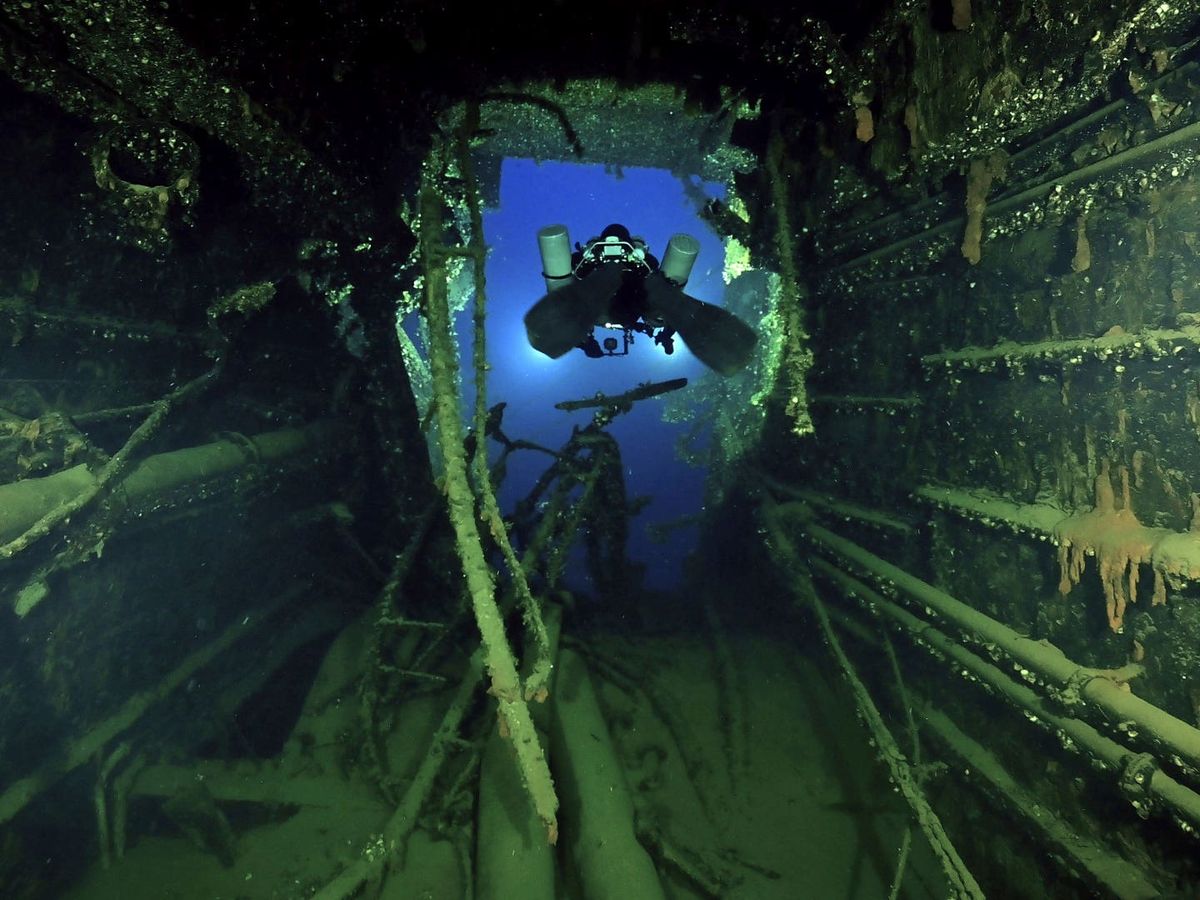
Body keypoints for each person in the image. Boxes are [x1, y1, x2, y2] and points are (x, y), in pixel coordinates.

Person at [523, 223, 757, 375]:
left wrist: (584, 343)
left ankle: (619, 289)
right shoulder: (645, 265)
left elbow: (564, 308)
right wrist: (666, 330)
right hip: (630, 302)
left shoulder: (583, 265)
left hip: (600, 302)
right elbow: (663, 300)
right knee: (659, 301)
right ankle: (656, 308)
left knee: (651, 299)